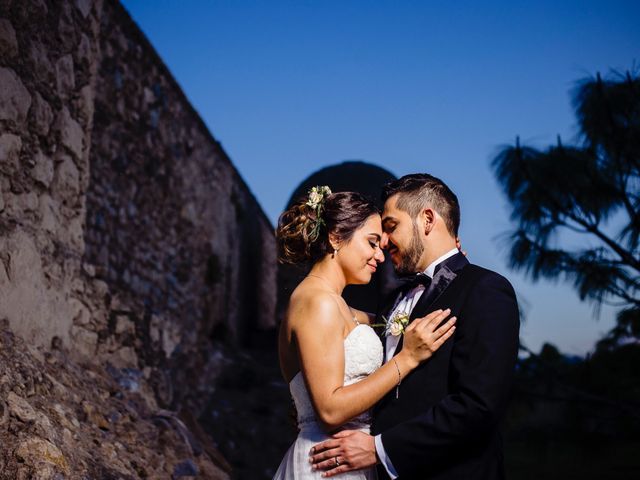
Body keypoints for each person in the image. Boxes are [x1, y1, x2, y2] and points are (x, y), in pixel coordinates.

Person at [309, 174, 520, 479]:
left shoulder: (485, 289)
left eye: (391, 226)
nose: (383, 241)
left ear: (428, 219)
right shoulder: (395, 299)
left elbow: (479, 407)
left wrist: (379, 449)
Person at [273, 187, 457, 479]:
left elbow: (394, 320)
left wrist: (446, 277)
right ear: (335, 238)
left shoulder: (337, 305)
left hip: (348, 460)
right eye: (372, 243)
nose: (379, 256)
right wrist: (406, 359)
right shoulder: (317, 302)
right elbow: (330, 410)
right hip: (327, 464)